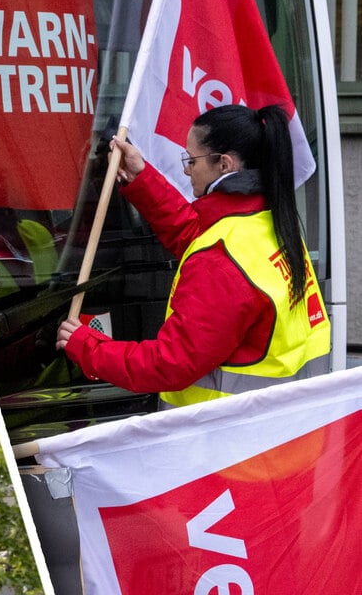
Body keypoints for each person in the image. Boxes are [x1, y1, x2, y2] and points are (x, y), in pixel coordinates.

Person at [56, 104, 330, 409]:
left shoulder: (219, 260)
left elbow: (168, 364)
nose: (187, 170)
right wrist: (142, 178)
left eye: (192, 160)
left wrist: (88, 347)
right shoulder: (271, 222)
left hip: (220, 441)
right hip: (279, 430)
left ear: (224, 164)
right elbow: (195, 234)